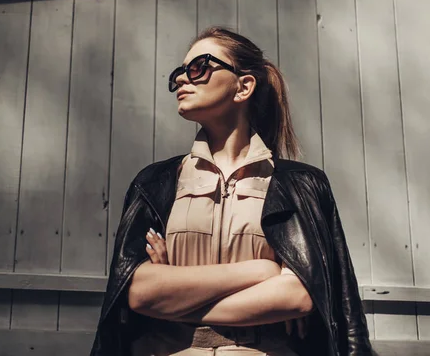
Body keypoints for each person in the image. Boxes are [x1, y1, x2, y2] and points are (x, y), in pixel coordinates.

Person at [90, 27, 372, 356]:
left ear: (244, 86)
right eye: (179, 72)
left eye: (199, 67)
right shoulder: (155, 183)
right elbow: (138, 293)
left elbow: (299, 296)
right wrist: (261, 272)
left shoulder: (302, 186)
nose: (182, 79)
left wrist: (175, 298)